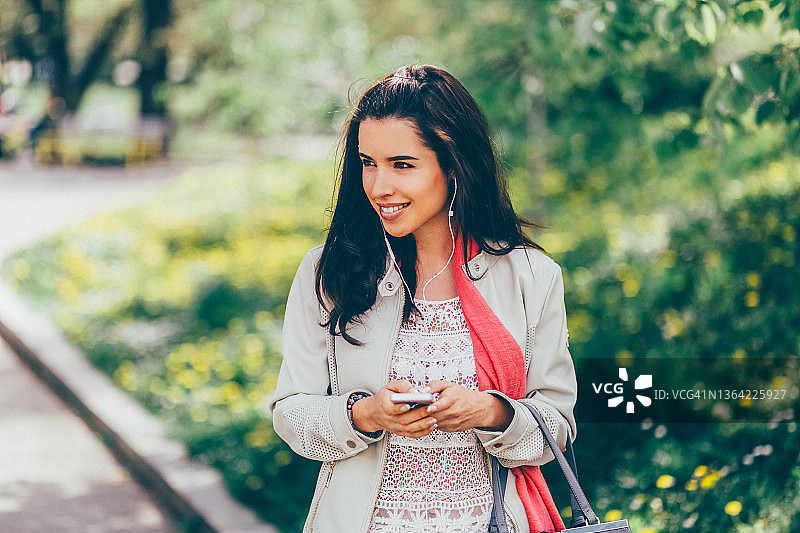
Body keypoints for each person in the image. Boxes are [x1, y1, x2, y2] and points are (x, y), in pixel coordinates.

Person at [270, 64, 577, 533]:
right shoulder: (329, 272)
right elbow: (292, 413)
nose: (379, 187)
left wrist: (490, 412)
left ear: (453, 166)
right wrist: (365, 414)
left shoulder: (530, 277)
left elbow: (556, 426)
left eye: (402, 165)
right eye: (367, 163)